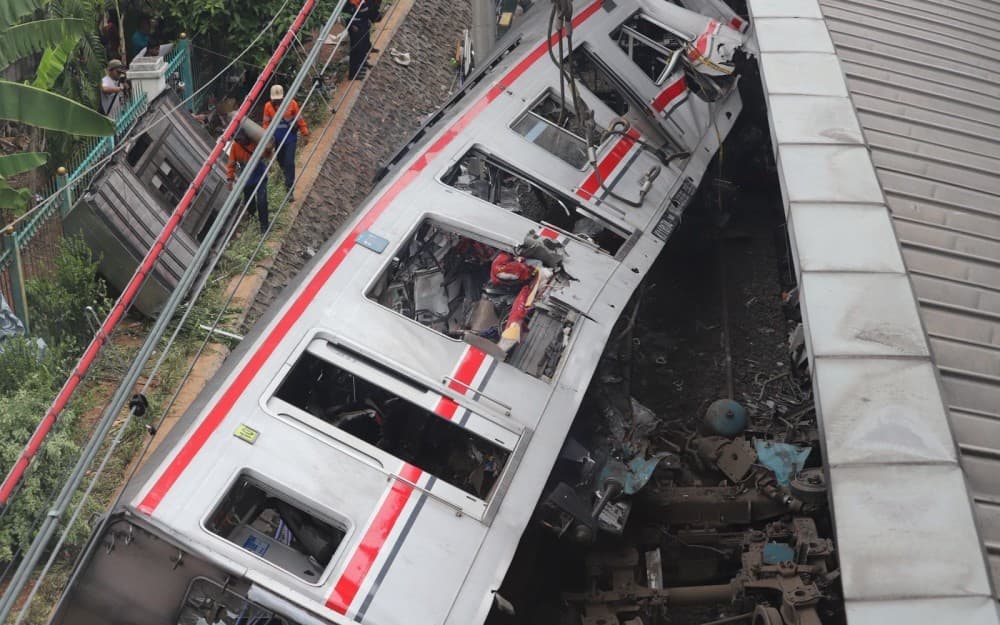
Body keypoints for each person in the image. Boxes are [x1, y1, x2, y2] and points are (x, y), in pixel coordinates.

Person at [262, 85, 309, 195]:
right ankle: (286, 174)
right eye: (275, 99)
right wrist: (266, 139)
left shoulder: (292, 104)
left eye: (279, 99)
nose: (277, 101)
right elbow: (265, 124)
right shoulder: (268, 106)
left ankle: (289, 188)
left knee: (289, 162)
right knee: (281, 160)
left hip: (290, 138)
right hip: (277, 139)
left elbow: (299, 119)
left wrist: (305, 132)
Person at [227, 130, 270, 231]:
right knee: (249, 201)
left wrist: (267, 150)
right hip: (247, 177)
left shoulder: (255, 142)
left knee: (262, 201)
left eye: (240, 138)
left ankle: (264, 225)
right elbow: (231, 164)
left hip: (259, 174)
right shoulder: (235, 147)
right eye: (237, 139)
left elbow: (267, 153)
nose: (239, 141)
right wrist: (230, 179)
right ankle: (253, 214)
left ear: (246, 136)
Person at [346, 0, 381, 80]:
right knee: (356, 49)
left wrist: (376, 17)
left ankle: (362, 63)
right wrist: (351, 25)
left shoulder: (365, 2)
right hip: (355, 27)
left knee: (364, 46)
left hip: (363, 24)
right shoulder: (349, 4)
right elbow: (345, 16)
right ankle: (353, 73)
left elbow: (369, 10)